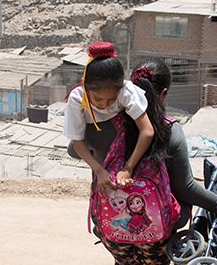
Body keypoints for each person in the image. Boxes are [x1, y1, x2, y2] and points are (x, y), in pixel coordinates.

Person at [69, 58, 217, 265]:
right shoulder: (168, 132)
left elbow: (74, 149)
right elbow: (187, 189)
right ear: (163, 93)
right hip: (156, 235)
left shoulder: (102, 122)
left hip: (112, 227)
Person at [63, 42, 155, 195]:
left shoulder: (126, 91)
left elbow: (147, 131)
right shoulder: (77, 98)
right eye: (98, 99)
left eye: (111, 100)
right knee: (101, 181)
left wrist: (128, 168)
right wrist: (98, 170)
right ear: (85, 87)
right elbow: (77, 142)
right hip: (91, 141)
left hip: (118, 138)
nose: (104, 105)